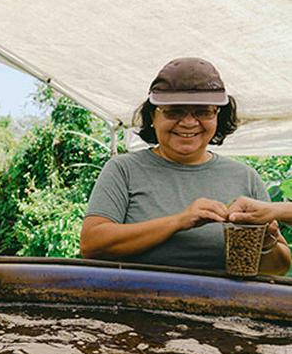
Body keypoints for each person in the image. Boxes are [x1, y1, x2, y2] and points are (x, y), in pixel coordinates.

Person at [80, 57, 291, 274]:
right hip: (136, 302)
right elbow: (92, 244)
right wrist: (179, 221)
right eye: (174, 111)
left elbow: (277, 269)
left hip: (226, 304)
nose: (189, 122)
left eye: (203, 112)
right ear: (153, 115)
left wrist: (266, 244)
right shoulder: (123, 170)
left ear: (218, 116)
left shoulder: (245, 177)